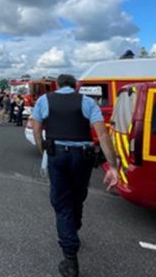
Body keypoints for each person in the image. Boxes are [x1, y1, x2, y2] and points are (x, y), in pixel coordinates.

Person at [31, 74, 118, 277]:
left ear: (58, 85)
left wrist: (42, 150)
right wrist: (112, 165)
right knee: (78, 195)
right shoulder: (87, 102)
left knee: (61, 202)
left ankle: (70, 258)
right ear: (75, 86)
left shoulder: (45, 100)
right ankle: (74, 225)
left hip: (58, 154)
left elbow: (37, 128)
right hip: (83, 155)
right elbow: (103, 134)